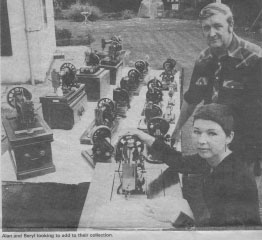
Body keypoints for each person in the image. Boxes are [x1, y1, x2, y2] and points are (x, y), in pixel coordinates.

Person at [125, 104, 261, 227]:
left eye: (212, 133)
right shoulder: (212, 158)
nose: (202, 140)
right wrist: (145, 137)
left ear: (229, 137)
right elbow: (180, 162)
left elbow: (218, 233)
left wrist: (175, 216)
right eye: (197, 132)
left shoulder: (235, 179)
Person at [171, 2, 262, 176]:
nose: (211, 33)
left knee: (240, 198)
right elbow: (192, 99)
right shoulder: (204, 59)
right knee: (212, 194)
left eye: (217, 26)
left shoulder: (254, 58)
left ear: (231, 25)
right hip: (213, 145)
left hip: (245, 147)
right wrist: (176, 130)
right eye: (206, 28)